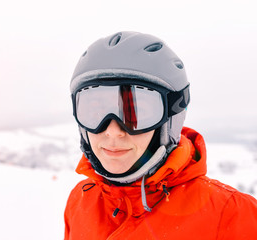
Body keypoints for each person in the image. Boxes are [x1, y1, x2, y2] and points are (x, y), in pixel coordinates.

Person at [64, 31, 257, 240]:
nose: (112, 130)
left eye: (135, 113)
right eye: (95, 111)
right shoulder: (81, 199)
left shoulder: (232, 214)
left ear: (169, 122)